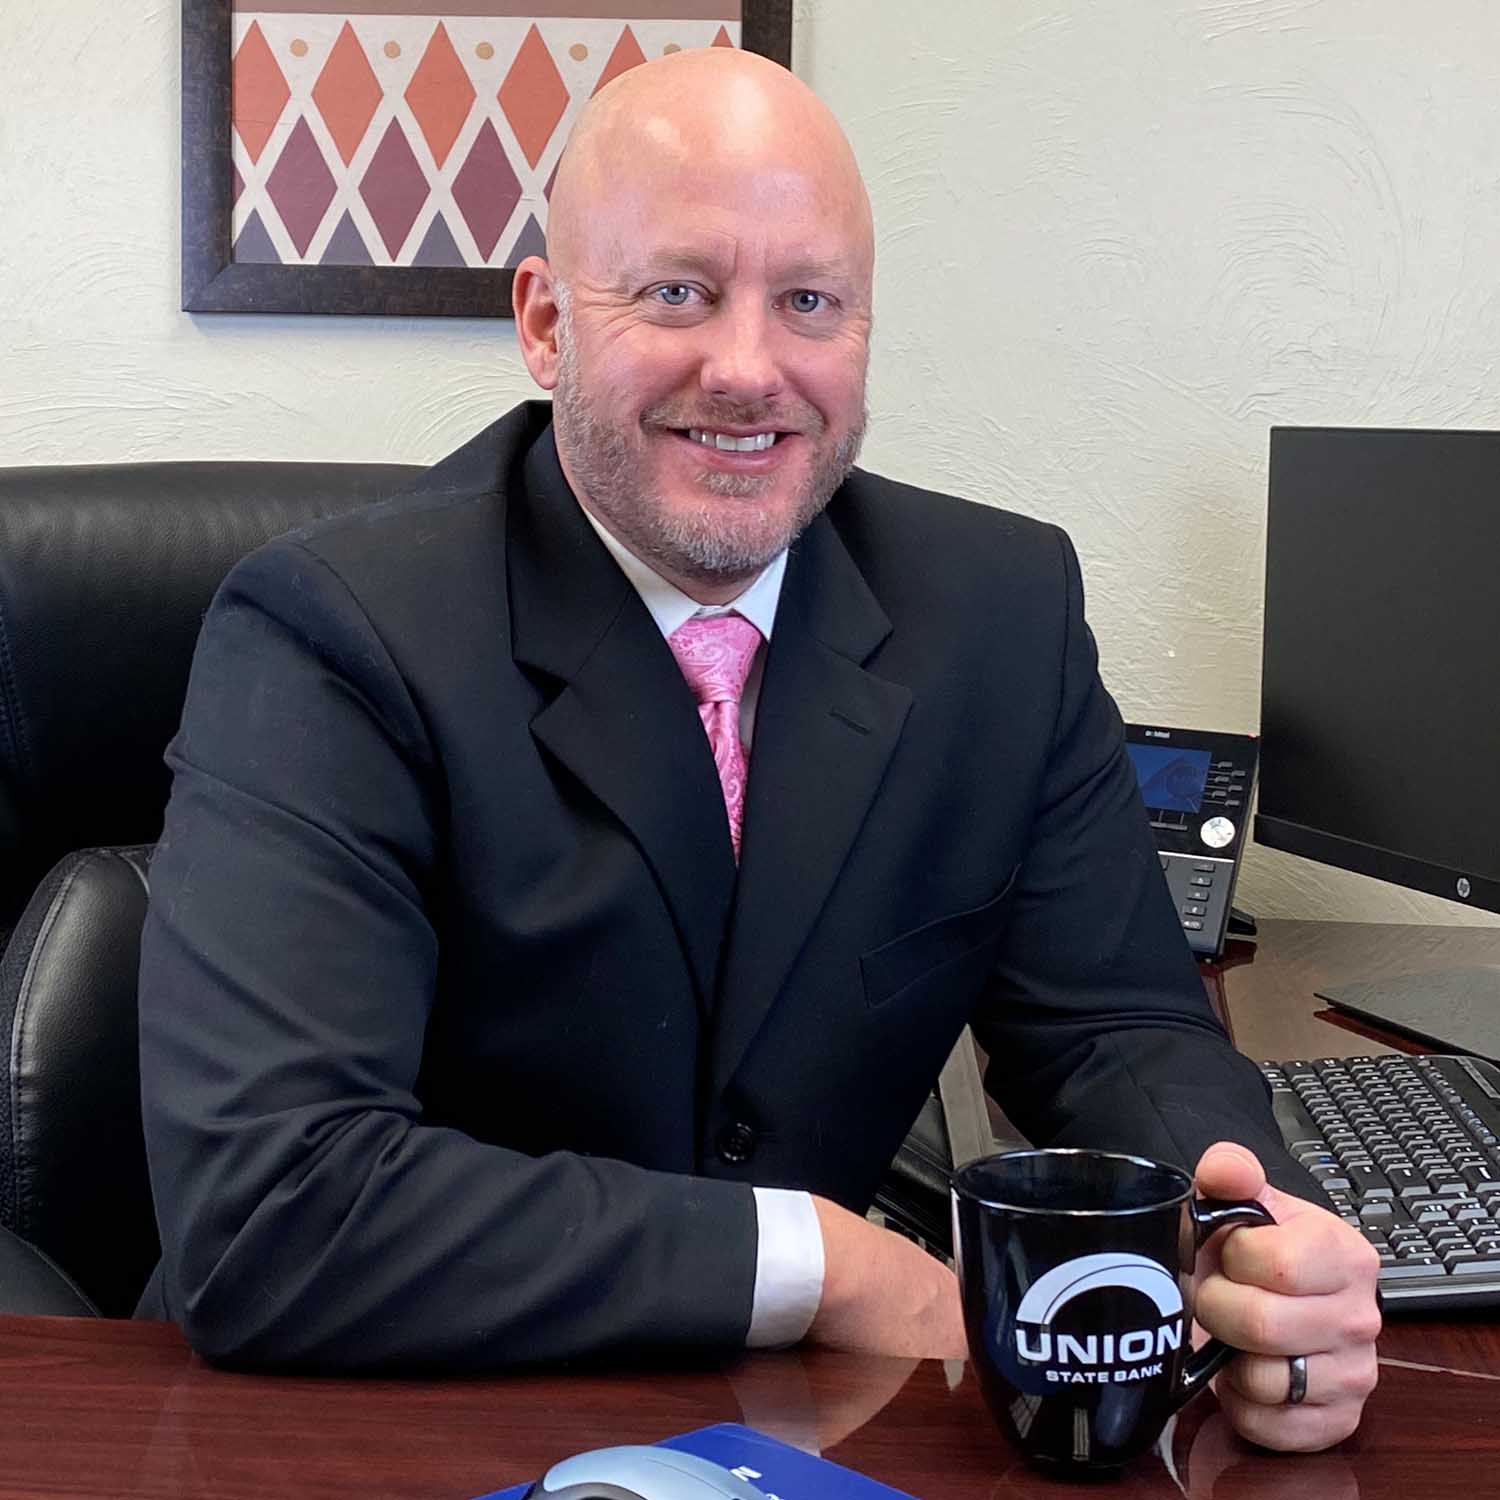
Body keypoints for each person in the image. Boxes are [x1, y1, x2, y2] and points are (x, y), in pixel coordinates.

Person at [136, 47, 1378, 1451]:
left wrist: (1242, 1228)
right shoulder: (334, 634)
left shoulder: (997, 615)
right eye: (677, 292)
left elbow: (1114, 1026)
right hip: (383, 1419)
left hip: (798, 1437)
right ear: (545, 324)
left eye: (809, 302)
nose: (749, 369)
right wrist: (823, 1262)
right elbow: (277, 1212)